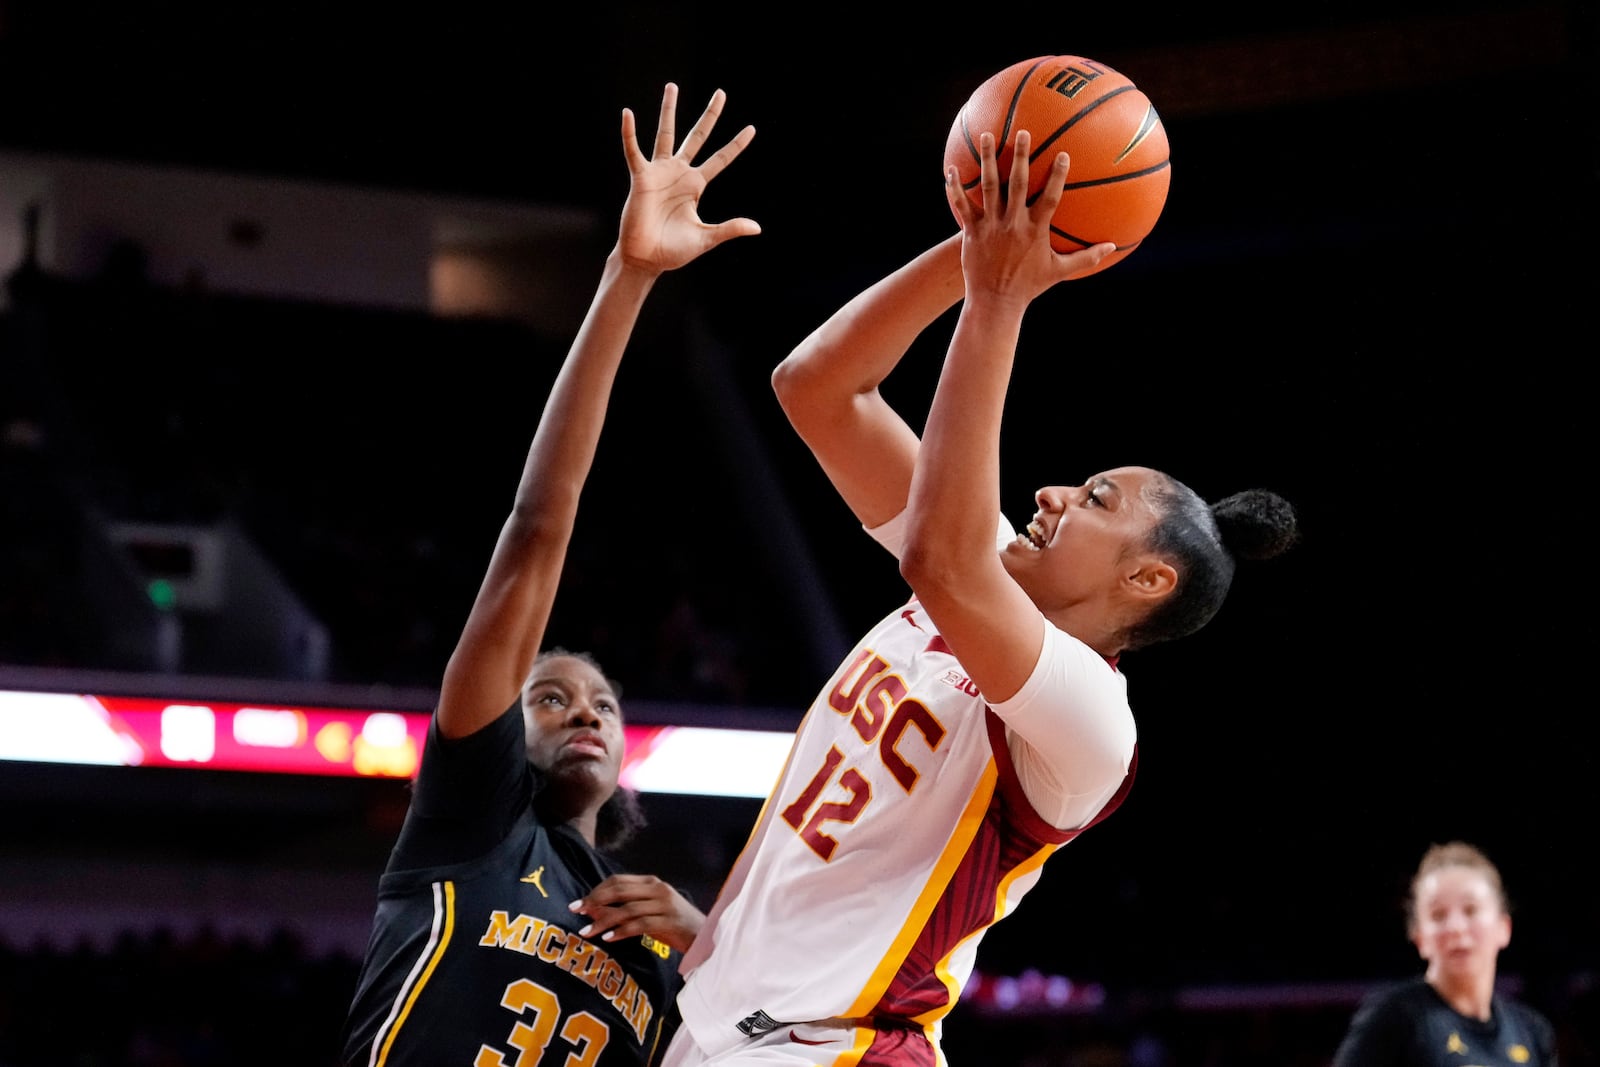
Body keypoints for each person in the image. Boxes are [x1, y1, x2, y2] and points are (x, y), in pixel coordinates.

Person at [660, 129, 1299, 1066]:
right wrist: (978, 248)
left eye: (1094, 500)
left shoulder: (1091, 721)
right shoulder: (981, 560)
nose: (1051, 494)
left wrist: (1002, 299)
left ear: (1147, 579)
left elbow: (940, 561)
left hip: (846, 1049)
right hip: (719, 1029)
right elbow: (816, 389)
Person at [339, 82, 760, 1067]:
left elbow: (779, 1039)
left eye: (603, 703)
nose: (585, 711)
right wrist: (627, 275)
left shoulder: (662, 946)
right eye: (552, 695)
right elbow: (536, 529)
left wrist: (706, 939)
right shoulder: (472, 819)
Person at [1331, 841, 1560, 1067]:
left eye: (1471, 910)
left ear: (1503, 928)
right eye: (1438, 915)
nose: (1456, 927)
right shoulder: (1395, 1018)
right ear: (1419, 938)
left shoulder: (1532, 1031)